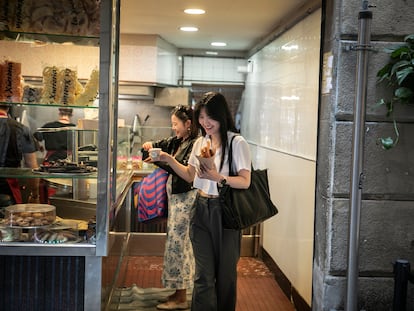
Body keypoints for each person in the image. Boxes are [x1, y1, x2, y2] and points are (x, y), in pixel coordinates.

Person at [153, 92, 252, 311]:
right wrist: (168, 159)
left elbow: (245, 181)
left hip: (225, 212)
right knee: (203, 276)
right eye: (201, 117)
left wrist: (218, 177)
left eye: (210, 117)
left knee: (225, 276)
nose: (205, 123)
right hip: (200, 208)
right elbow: (190, 175)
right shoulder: (200, 142)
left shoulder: (237, 143)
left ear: (221, 116)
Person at [142, 105, 199, 310]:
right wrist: (150, 145)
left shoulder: (195, 144)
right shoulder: (178, 140)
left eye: (176, 124)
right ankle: (177, 292)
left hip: (186, 200)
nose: (173, 128)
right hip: (176, 200)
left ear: (188, 124)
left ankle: (181, 298)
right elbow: (159, 145)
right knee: (175, 246)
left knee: (180, 247)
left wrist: (164, 159)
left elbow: (185, 172)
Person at [0, 104, 40, 207]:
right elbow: (32, 166)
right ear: (9, 107)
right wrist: (35, 194)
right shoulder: (21, 129)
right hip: (8, 188)